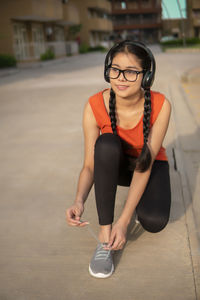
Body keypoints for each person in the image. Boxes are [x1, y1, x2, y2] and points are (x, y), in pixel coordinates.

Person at [66, 40, 171, 279]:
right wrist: (79, 200)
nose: (121, 77)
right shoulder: (94, 105)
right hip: (115, 164)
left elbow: (145, 165)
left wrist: (124, 221)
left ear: (146, 76)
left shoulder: (161, 105)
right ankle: (104, 239)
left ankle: (133, 208)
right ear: (107, 70)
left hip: (148, 165)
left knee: (154, 221)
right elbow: (90, 165)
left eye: (131, 71)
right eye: (115, 69)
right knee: (106, 144)